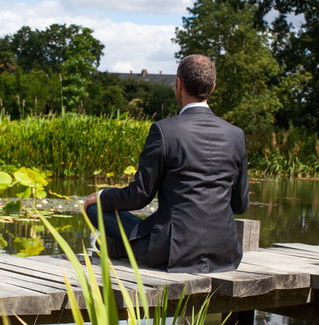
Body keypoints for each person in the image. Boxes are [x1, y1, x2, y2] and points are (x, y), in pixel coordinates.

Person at [84, 54, 249, 273]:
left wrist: (103, 195)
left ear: (178, 84)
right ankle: (122, 247)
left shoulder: (164, 131)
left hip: (173, 251)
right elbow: (240, 205)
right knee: (144, 227)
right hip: (226, 253)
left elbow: (139, 197)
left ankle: (120, 247)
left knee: (96, 209)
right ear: (213, 87)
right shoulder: (235, 135)